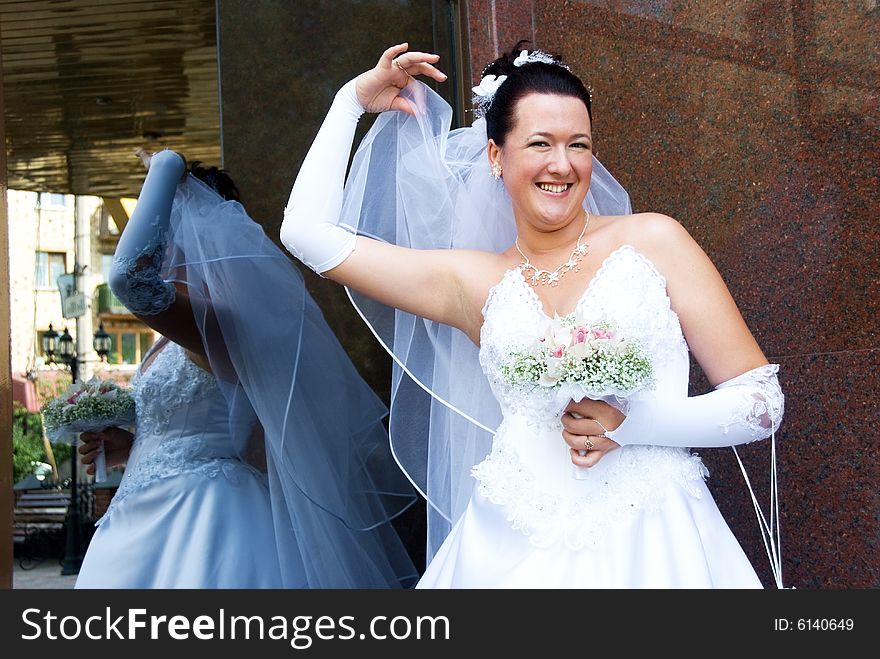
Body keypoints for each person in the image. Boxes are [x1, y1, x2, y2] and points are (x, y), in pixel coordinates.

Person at [280, 42, 785, 588]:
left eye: (579, 145)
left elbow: (761, 404)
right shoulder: (472, 282)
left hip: (651, 538)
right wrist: (350, 101)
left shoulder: (653, 241)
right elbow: (305, 234)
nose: (561, 165)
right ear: (496, 156)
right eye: (539, 143)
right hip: (511, 550)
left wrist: (636, 424)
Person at [74, 149, 418, 588]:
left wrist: (165, 165)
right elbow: (217, 428)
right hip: (145, 510)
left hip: (202, 520)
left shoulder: (219, 323)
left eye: (157, 216)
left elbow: (129, 280)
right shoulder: (176, 333)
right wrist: (133, 445)